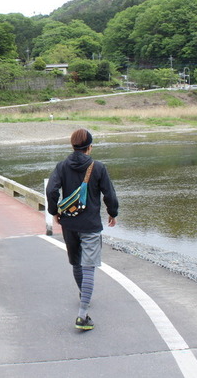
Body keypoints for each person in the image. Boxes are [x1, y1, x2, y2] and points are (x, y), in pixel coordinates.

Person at [46, 128, 119, 330]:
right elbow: (109, 194)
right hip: (90, 225)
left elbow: (51, 190)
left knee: (77, 264)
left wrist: (54, 211)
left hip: (69, 224)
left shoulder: (62, 166)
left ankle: (83, 293)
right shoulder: (98, 167)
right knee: (89, 267)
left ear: (72, 146)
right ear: (90, 147)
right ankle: (82, 315)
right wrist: (113, 212)